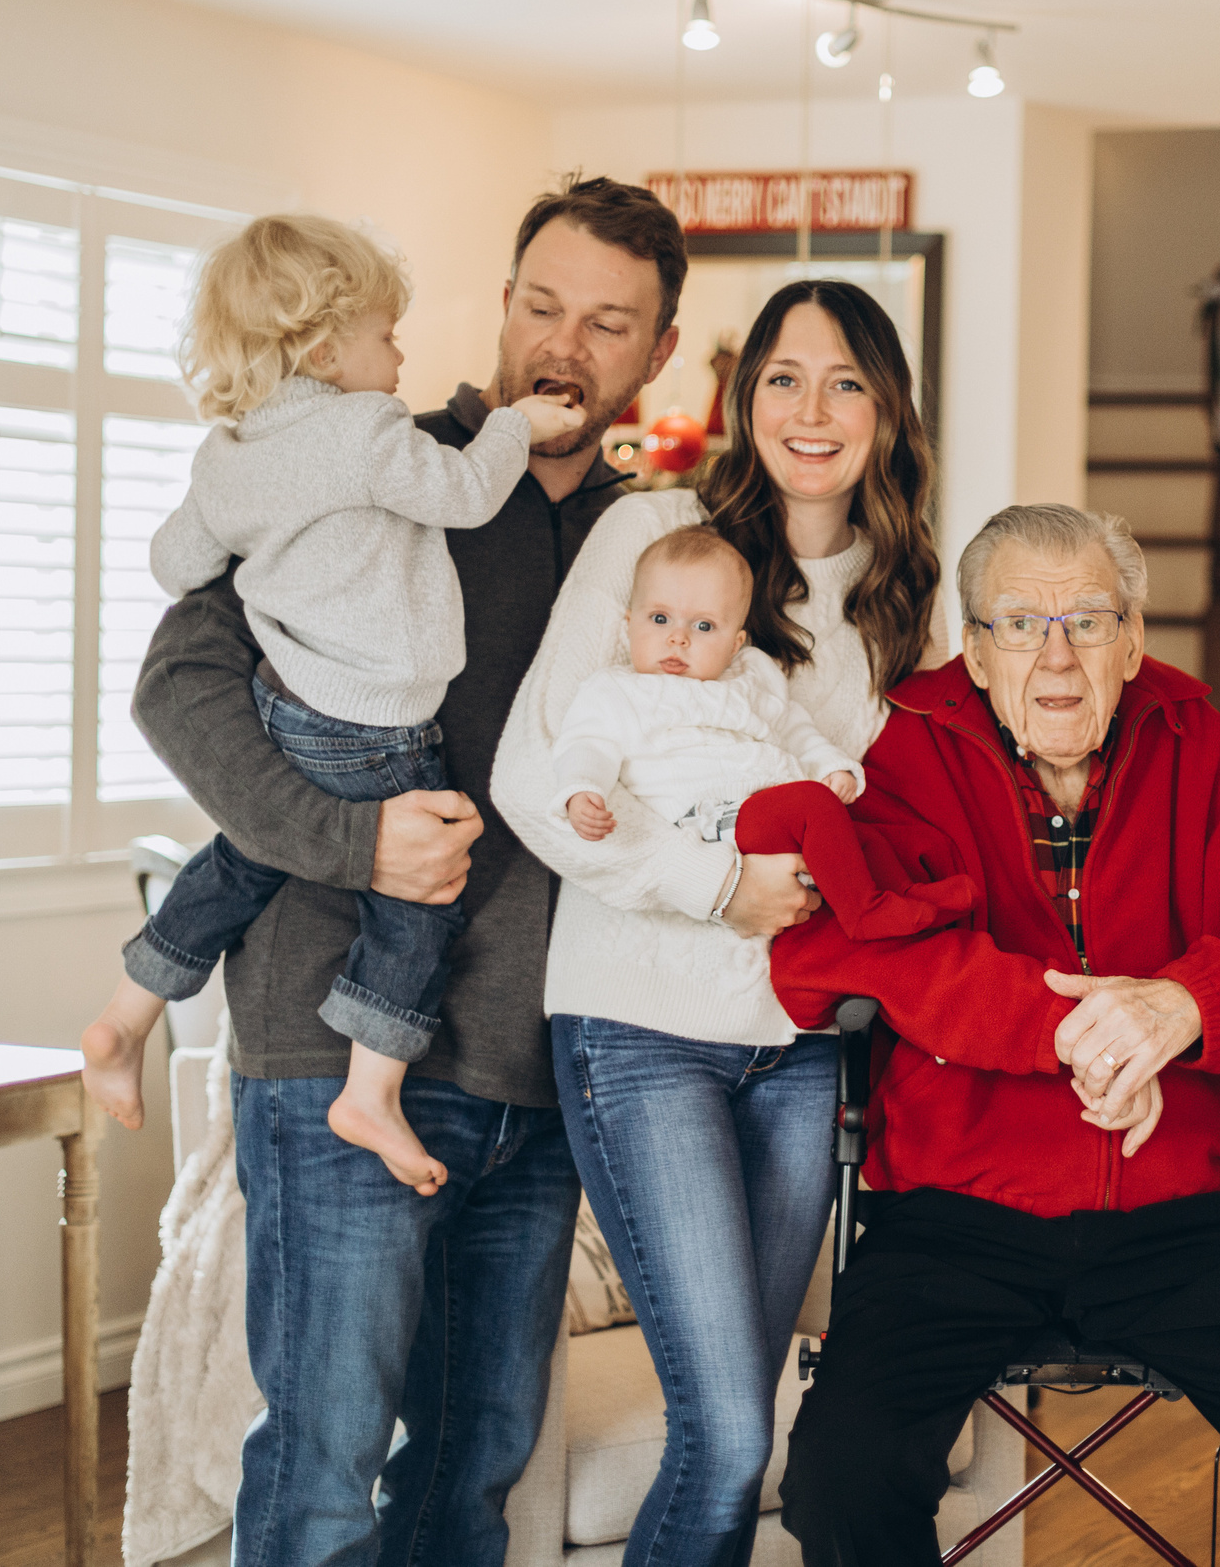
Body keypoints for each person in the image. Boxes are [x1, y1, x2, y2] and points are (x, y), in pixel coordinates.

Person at [123, 173, 689, 1567]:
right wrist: (353, 838)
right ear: (501, 305)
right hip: (332, 1042)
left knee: (468, 1476)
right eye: (542, 306)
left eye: (608, 323)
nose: (564, 345)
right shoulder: (360, 453)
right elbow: (179, 687)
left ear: (659, 350)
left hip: (539, 1066)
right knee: (321, 1470)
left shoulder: (657, 547)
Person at [768, 503, 1220, 1567]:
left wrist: (1180, 1007)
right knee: (841, 1478)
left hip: (1178, 1221)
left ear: (1131, 640)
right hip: (955, 1219)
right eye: (1020, 624)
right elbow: (863, 948)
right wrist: (1086, 1030)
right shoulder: (902, 756)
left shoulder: (1207, 750)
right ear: (974, 649)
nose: (1057, 654)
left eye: (1087, 619)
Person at [489, 277, 944, 1567]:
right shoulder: (657, 531)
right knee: (734, 1429)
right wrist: (714, 887)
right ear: (745, 400)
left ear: (886, 411)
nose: (813, 410)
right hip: (640, 1031)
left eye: (846, 382)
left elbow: (905, 814)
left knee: (737, 1421)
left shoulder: (903, 591)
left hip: (801, 1047)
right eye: (784, 378)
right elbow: (536, 773)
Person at [80, 212, 585, 1193]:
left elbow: (175, 562)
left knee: (242, 858)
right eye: (386, 336)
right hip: (378, 724)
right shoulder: (368, 432)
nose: (399, 358)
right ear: (321, 349)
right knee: (424, 896)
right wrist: (519, 425)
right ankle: (372, 1087)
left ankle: (127, 1011)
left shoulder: (228, 453)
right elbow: (468, 493)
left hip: (289, 709)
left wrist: (262, 532)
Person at [549, 523, 973, 941]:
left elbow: (794, 729)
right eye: (659, 619)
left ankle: (903, 896)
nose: (677, 638)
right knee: (815, 807)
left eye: (703, 626)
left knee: (862, 836)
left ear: (735, 644)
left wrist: (829, 765)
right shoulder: (616, 691)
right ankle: (864, 914)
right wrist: (582, 789)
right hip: (707, 821)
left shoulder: (751, 674)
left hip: (769, 813)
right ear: (629, 624)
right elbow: (587, 745)